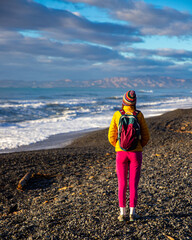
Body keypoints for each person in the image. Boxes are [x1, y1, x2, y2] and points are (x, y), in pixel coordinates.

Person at [108, 90, 150, 222]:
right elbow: (146, 136)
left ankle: (122, 214)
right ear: (134, 102)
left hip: (121, 153)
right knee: (133, 183)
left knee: (122, 183)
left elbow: (111, 136)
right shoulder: (139, 115)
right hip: (135, 153)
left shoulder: (117, 114)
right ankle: (133, 213)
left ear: (124, 101)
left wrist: (118, 145)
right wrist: (139, 146)